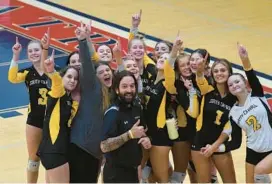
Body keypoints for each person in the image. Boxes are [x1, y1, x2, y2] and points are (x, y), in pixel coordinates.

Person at [68, 21, 113, 183]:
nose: (106, 73)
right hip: (80, 147)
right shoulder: (91, 86)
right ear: (95, 77)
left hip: (96, 153)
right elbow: (87, 63)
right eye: (101, 72)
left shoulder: (112, 94)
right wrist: (83, 40)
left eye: (108, 70)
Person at [192, 56, 242, 183]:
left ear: (229, 72)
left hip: (220, 144)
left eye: (223, 70)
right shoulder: (207, 89)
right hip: (200, 142)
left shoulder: (235, 98)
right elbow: (199, 78)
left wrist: (214, 146)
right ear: (212, 74)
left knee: (230, 182)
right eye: (216, 71)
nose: (219, 73)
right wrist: (199, 69)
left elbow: (229, 127)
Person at [8, 31, 50, 183]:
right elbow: (12, 78)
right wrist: (15, 56)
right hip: (34, 121)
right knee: (33, 159)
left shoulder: (52, 69)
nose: (34, 53)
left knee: (53, 159)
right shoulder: (27, 73)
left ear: (43, 50)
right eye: (30, 51)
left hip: (53, 119)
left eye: (37, 50)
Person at [228, 43, 272, 183]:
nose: (234, 85)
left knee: (259, 171)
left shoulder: (257, 95)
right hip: (253, 151)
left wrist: (244, 59)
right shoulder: (233, 113)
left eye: (237, 82)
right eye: (230, 85)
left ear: (245, 83)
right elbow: (235, 142)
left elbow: (251, 74)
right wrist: (215, 147)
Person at [101, 70, 151, 183]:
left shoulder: (137, 108)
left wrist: (146, 139)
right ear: (117, 90)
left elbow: (143, 132)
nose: (129, 90)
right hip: (115, 174)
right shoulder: (113, 112)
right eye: (124, 86)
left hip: (134, 171)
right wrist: (129, 135)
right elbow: (104, 146)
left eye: (132, 86)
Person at [37, 51, 79, 183]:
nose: (73, 80)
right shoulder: (58, 93)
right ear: (62, 77)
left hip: (55, 151)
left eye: (75, 78)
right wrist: (52, 71)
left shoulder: (68, 99)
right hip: (54, 151)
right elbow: (56, 82)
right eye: (69, 77)